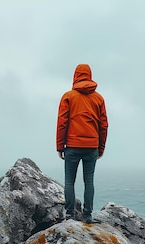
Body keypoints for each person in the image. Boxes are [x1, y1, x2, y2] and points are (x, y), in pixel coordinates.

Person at [56, 64, 108, 223]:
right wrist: (101, 147)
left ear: (75, 76)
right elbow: (104, 125)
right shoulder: (99, 98)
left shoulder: (68, 96)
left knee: (69, 181)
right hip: (91, 146)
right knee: (89, 181)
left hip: (72, 145)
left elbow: (62, 123)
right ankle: (87, 215)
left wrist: (60, 146)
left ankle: (70, 215)